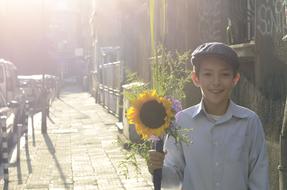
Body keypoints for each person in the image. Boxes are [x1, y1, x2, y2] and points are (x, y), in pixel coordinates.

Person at [148, 42, 269, 190]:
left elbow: (259, 179)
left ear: (235, 79)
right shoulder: (181, 122)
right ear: (195, 78)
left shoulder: (250, 122)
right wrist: (157, 168)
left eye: (224, 74)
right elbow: (172, 182)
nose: (216, 82)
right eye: (208, 74)